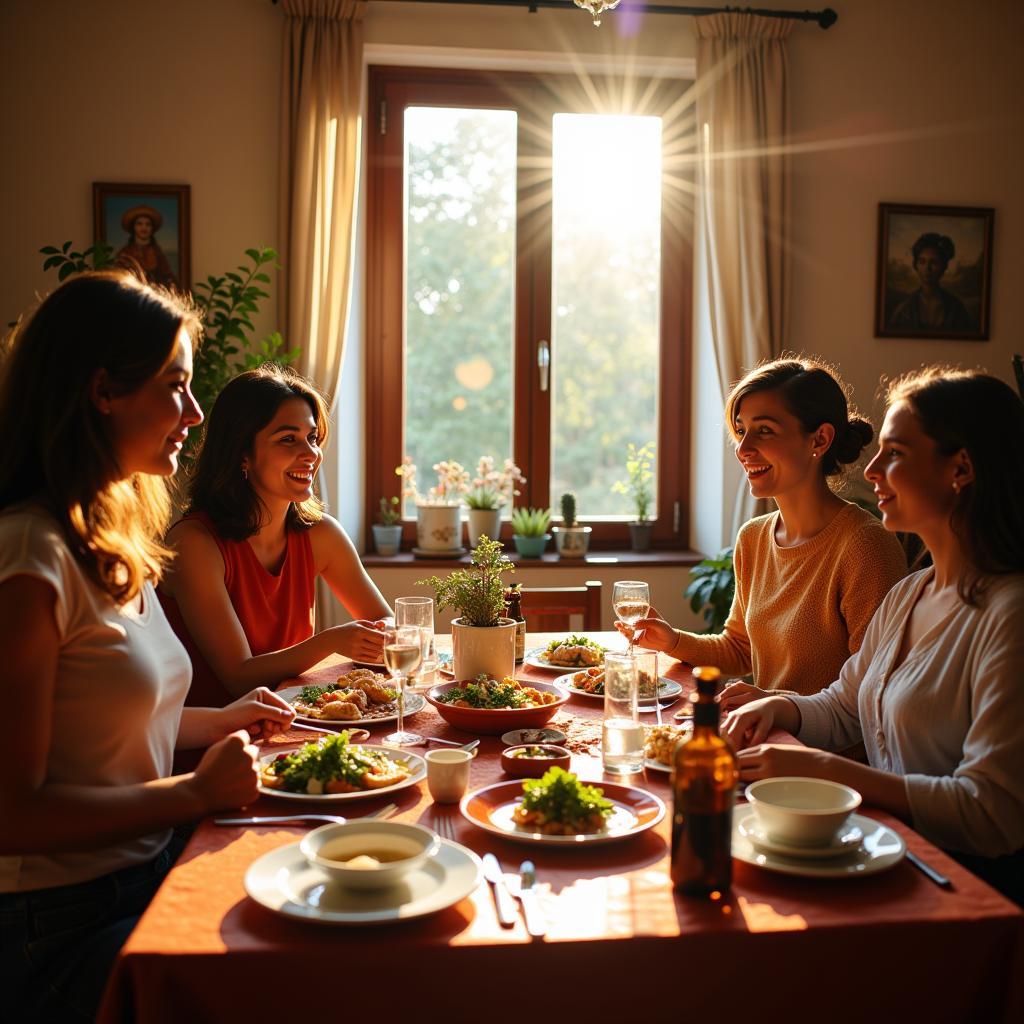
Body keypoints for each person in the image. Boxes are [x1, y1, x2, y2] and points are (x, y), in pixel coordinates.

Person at [0, 271, 295, 1021]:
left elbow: (124, 722)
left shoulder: (113, 539)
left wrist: (227, 720)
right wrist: (193, 793)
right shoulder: (30, 558)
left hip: (146, 868)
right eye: (176, 386)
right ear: (103, 391)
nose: (195, 413)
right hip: (60, 922)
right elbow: (13, 811)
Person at [722, 367, 1024, 905]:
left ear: (961, 468)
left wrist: (826, 768)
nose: (875, 469)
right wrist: (781, 711)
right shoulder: (910, 594)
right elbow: (844, 705)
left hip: (965, 890)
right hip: (886, 854)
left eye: (896, 453)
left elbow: (991, 813)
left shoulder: (1009, 615)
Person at [625, 357, 906, 709]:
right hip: (768, 738)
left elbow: (877, 686)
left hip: (826, 758)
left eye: (765, 431)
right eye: (741, 431)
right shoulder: (754, 538)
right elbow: (740, 649)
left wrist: (775, 704)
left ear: (819, 439)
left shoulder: (864, 545)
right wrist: (672, 641)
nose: (743, 450)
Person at [159, 364, 392, 708]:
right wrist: (329, 642)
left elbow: (386, 621)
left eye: (312, 438)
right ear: (242, 454)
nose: (311, 454)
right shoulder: (194, 544)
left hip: (292, 724)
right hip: (212, 742)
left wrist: (384, 634)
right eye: (288, 439)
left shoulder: (321, 535)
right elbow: (238, 678)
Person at [887, 232, 974, 333]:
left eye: (934, 262)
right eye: (922, 262)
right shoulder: (904, 310)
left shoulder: (956, 309)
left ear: (944, 267)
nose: (927, 268)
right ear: (916, 266)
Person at [115, 204, 178, 288]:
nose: (144, 227)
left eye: (148, 224)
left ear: (152, 228)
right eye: (139, 224)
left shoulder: (157, 253)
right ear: (133, 227)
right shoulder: (125, 253)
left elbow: (169, 277)